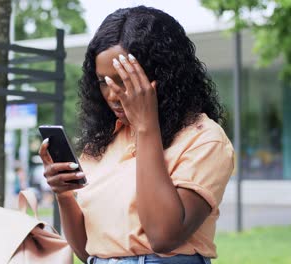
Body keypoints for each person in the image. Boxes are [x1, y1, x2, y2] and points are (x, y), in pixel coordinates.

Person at [39, 6, 234, 264]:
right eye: (103, 82)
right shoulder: (103, 142)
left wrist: (146, 127)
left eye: (124, 80)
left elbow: (164, 236)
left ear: (163, 75)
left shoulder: (204, 138)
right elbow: (89, 250)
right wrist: (64, 195)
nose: (111, 94)